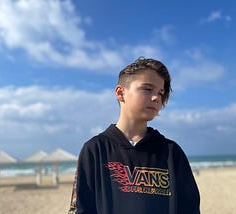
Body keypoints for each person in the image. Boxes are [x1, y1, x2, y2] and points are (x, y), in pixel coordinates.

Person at [68, 57, 200, 214]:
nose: (156, 97)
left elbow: (190, 208)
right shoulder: (95, 149)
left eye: (160, 92)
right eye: (147, 89)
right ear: (120, 93)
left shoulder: (171, 153)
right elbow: (80, 208)